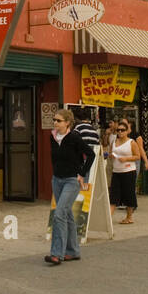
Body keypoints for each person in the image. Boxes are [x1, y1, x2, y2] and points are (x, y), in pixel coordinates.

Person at [46, 109, 95, 265]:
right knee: (66, 214)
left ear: (67, 122)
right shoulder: (52, 137)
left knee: (59, 214)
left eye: (59, 120)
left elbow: (90, 154)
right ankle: (73, 251)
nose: (55, 122)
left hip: (71, 181)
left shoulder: (74, 137)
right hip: (57, 179)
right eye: (54, 119)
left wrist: (81, 174)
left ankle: (56, 254)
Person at [110, 119, 146, 224]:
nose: (120, 132)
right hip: (116, 171)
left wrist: (126, 159)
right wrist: (110, 156)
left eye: (122, 130)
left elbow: (137, 156)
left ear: (127, 131)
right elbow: (110, 153)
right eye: (118, 130)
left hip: (128, 171)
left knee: (129, 194)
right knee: (113, 195)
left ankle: (129, 217)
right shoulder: (114, 142)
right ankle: (109, 219)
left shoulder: (131, 142)